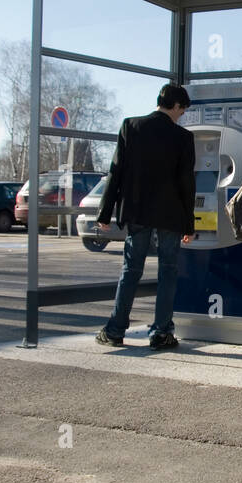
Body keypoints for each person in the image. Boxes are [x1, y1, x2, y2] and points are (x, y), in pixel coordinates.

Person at [95, 82, 196, 349]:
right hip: (171, 216)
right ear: (175, 106)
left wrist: (105, 213)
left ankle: (115, 330)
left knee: (131, 271)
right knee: (168, 272)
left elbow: (115, 172)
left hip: (137, 211)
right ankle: (161, 332)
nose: (181, 115)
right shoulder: (183, 138)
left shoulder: (131, 127)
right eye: (182, 111)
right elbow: (187, 184)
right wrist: (189, 223)